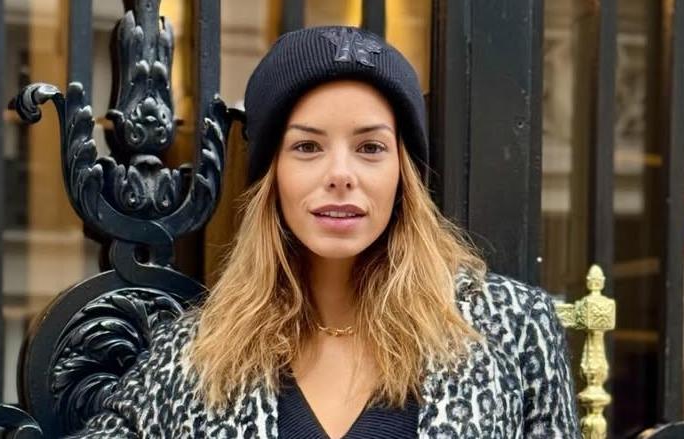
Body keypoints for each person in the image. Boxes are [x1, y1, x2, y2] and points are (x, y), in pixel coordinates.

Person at [71, 25, 580, 438]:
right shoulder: (196, 352)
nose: (341, 174)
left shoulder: (513, 330)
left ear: (403, 175)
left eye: (370, 148)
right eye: (307, 147)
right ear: (273, 175)